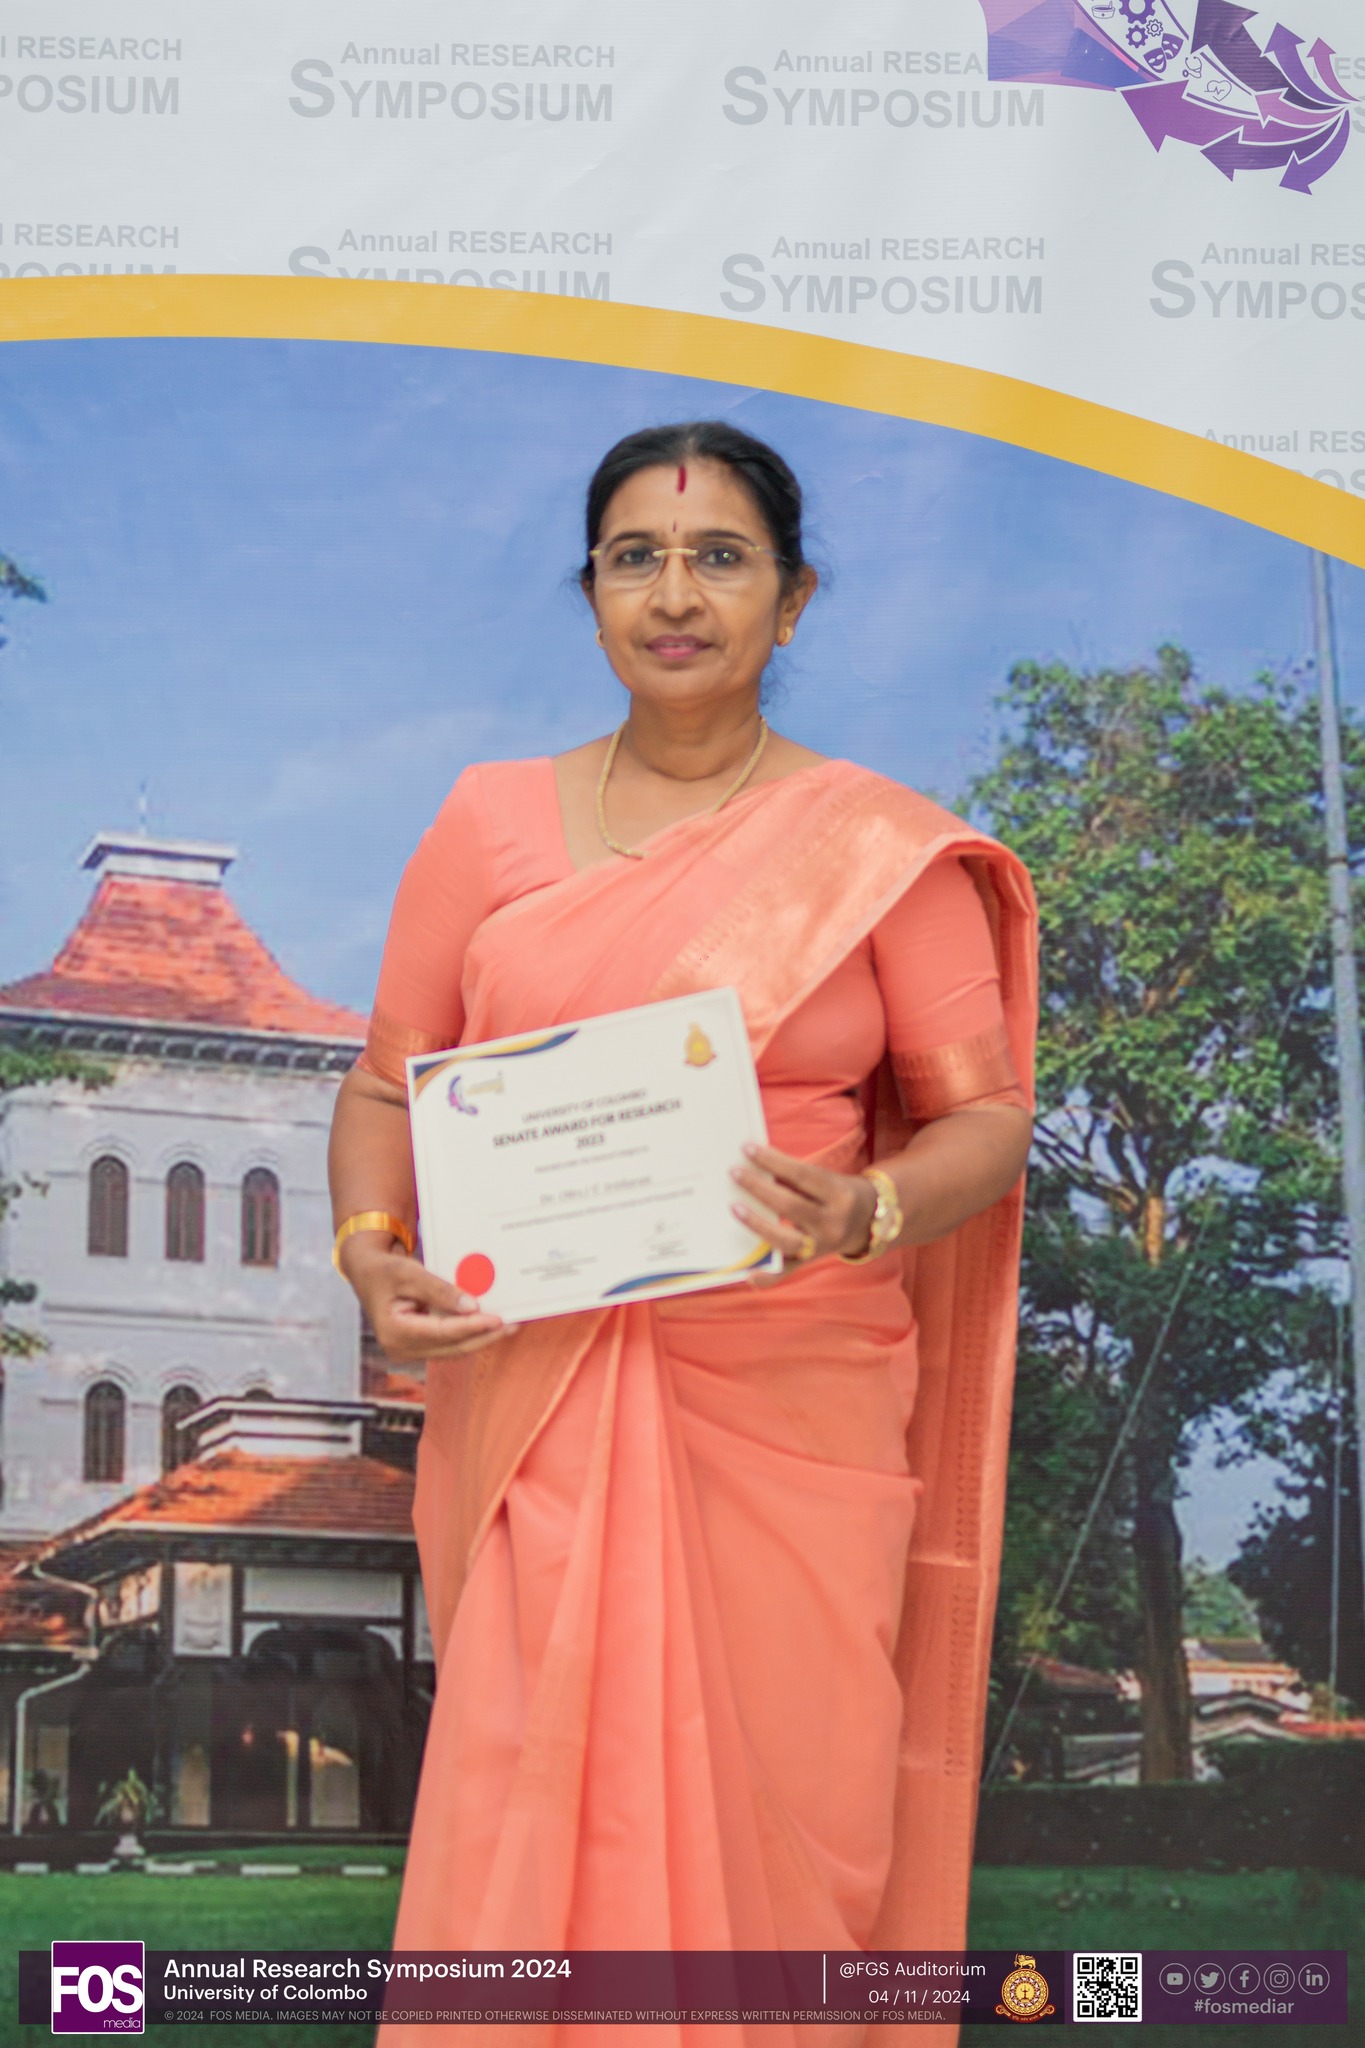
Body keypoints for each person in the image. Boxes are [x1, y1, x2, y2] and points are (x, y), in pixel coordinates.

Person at [329, 421, 1037, 2042]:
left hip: (796, 1397)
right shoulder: (489, 823)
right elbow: (384, 1087)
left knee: (794, 1808)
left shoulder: (875, 853)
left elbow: (982, 1122)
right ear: (588, 597)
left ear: (792, 602)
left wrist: (868, 1205)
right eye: (634, 558)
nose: (675, 593)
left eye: (720, 557)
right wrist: (375, 1246)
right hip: (545, 1400)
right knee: (536, 1781)